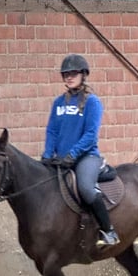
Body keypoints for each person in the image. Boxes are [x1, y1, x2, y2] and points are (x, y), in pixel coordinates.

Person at [41, 54, 120, 246]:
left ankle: (108, 231)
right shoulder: (58, 103)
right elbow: (52, 130)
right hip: (61, 158)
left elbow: (91, 134)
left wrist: (73, 154)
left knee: (85, 187)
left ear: (83, 75)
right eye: (66, 74)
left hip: (86, 157)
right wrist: (47, 155)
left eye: (73, 73)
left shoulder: (92, 102)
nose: (69, 77)